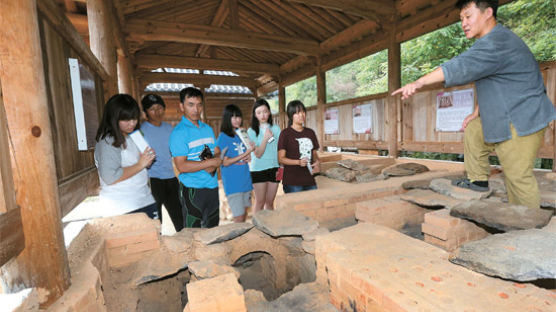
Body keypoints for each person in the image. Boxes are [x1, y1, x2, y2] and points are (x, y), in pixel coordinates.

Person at [392, 0, 556, 209]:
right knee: (474, 129)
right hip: (505, 115)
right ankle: (478, 181)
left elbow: (460, 65)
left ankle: (528, 225)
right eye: (461, 19)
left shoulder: (498, 41)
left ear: (488, 13)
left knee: (517, 178)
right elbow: (495, 83)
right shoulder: (491, 43)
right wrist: (477, 112)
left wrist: (419, 82)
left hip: (522, 119)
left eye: (468, 16)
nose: (464, 23)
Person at [94, 94, 157, 218]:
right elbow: (110, 177)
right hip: (122, 206)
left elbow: (141, 164)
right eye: (126, 120)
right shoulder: (108, 141)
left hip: (144, 199)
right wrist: (140, 164)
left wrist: (147, 161)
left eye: (134, 118)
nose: (132, 123)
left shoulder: (133, 136)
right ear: (114, 118)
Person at [169, 87, 222, 228]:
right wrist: (209, 163)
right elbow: (181, 166)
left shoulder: (208, 129)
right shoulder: (179, 133)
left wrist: (216, 155)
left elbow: (215, 151)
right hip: (192, 190)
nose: (196, 109)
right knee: (193, 233)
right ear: (182, 106)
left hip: (212, 187)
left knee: (213, 229)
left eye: (199, 105)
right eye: (190, 104)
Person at [140, 94, 183, 232]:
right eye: (152, 109)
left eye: (159, 107)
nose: (157, 112)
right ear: (145, 112)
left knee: (180, 218)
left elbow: (175, 150)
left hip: (170, 178)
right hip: (153, 180)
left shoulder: (168, 128)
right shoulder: (141, 131)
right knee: (156, 222)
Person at [216, 104, 255, 222]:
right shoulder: (223, 137)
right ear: (227, 119)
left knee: (243, 216)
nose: (237, 120)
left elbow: (246, 155)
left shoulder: (241, 134)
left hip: (245, 178)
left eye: (239, 117)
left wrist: (248, 156)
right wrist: (245, 153)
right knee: (238, 217)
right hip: (233, 182)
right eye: (233, 117)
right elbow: (225, 162)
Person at [278, 100, 321, 193]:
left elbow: (314, 154)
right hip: (292, 181)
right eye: (297, 113)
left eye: (303, 112)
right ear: (291, 115)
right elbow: (281, 159)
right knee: (295, 207)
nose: (301, 115)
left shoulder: (310, 132)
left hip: (309, 179)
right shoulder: (285, 134)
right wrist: (298, 162)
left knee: (313, 206)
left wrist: (317, 162)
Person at [247, 99, 281, 211]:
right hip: (258, 169)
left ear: (269, 112)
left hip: (275, 168)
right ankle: (256, 227)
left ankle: (270, 226)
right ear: (255, 115)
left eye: (265, 111)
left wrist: (281, 168)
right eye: (259, 112)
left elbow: (280, 149)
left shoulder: (276, 129)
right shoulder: (251, 131)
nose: (262, 115)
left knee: (270, 202)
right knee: (260, 202)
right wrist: (266, 138)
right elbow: (258, 154)